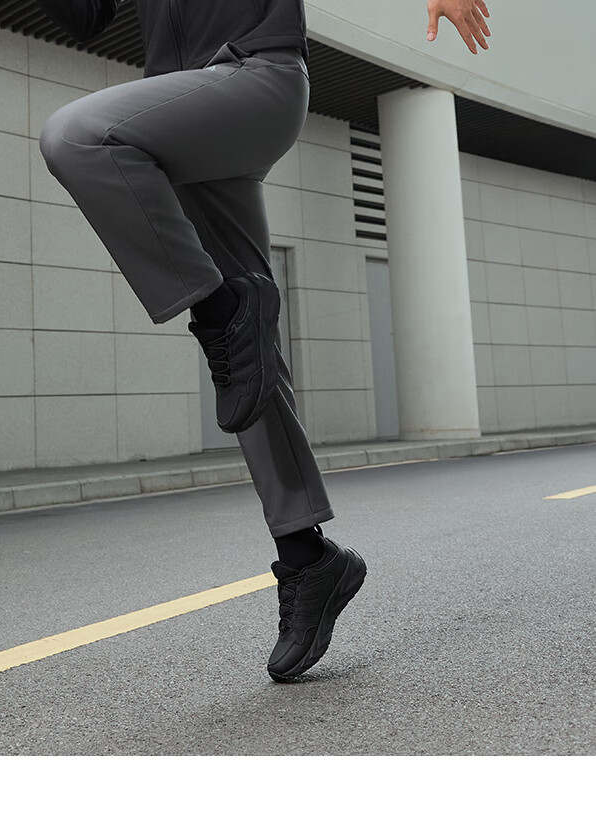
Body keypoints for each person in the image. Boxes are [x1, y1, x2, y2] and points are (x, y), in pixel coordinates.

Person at [34, 0, 491, 681]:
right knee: (247, 361)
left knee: (76, 135)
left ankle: (219, 307)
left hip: (256, 78)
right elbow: (84, 18)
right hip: (187, 108)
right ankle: (309, 558)